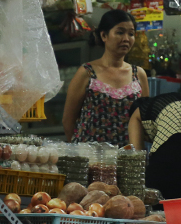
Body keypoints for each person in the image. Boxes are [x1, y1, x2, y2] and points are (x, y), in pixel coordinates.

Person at [63, 9, 150, 144]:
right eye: (120, 32)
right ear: (104, 35)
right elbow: (68, 121)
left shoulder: (139, 74)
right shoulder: (86, 72)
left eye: (131, 34)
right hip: (91, 158)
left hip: (128, 158)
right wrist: (78, 152)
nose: (126, 39)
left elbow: (144, 120)